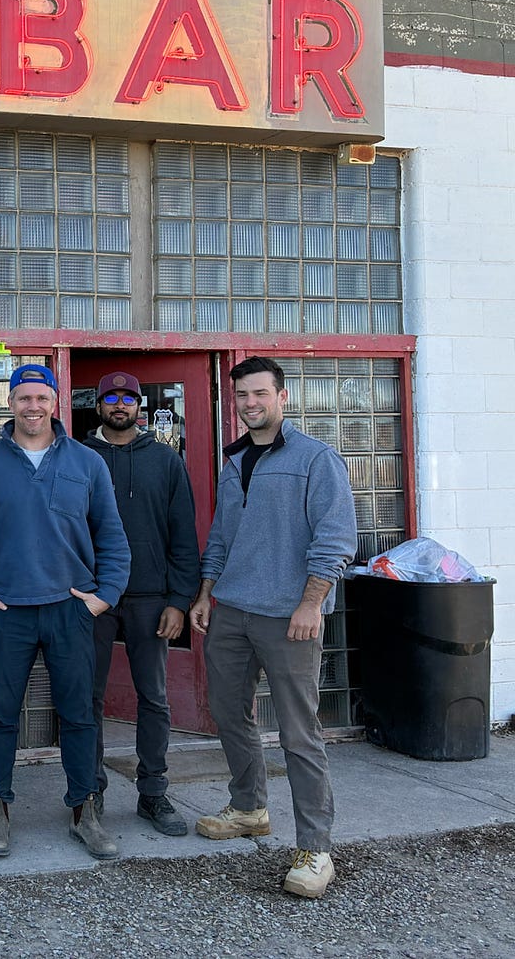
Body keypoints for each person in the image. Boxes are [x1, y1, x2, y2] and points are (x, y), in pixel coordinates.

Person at [190, 356, 357, 899]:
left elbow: (336, 538)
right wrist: (206, 593)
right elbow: (222, 536)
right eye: (241, 395)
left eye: (260, 393)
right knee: (228, 714)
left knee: (298, 732)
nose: (250, 403)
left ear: (282, 396)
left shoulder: (316, 459)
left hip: (290, 618)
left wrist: (311, 604)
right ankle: (248, 808)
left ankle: (315, 848)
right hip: (232, 611)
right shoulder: (235, 459)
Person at [0, 363, 131, 861]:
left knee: (79, 714)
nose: (32, 407)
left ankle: (84, 809)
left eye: (41, 398)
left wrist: (105, 595)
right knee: (1, 714)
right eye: (23, 398)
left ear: (55, 403)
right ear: (10, 402)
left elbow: (111, 535)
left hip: (70, 608)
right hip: (8, 610)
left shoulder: (86, 462)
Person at [84, 370, 201, 837]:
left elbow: (184, 535)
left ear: (139, 406)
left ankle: (153, 792)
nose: (120, 405)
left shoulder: (165, 461)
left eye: (128, 398)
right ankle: (89, 792)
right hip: (92, 597)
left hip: (151, 598)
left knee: (153, 697)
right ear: (99, 406)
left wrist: (179, 600)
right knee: (87, 698)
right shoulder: (78, 457)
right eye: (111, 397)